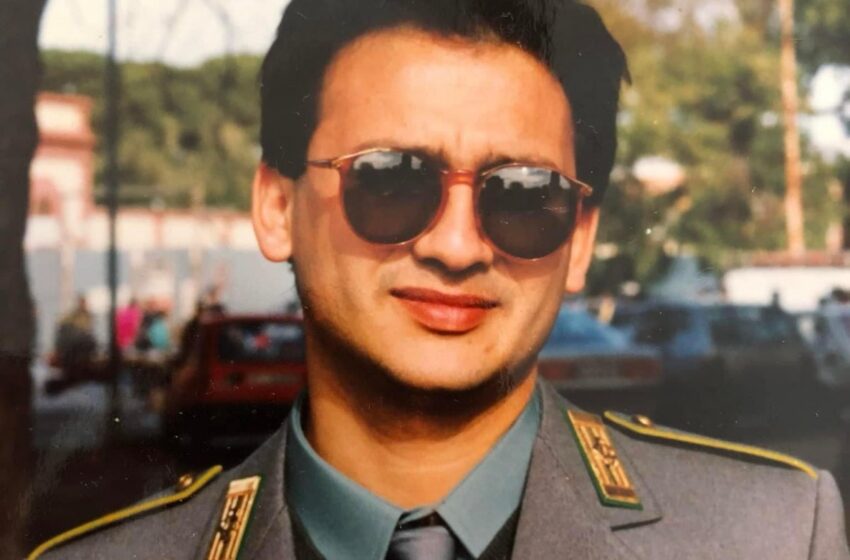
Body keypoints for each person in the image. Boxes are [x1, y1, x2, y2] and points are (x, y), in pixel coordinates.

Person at [30, 1, 849, 559]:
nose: (457, 246)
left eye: (522, 196)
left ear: (580, 239)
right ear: (277, 207)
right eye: (390, 180)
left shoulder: (773, 534)